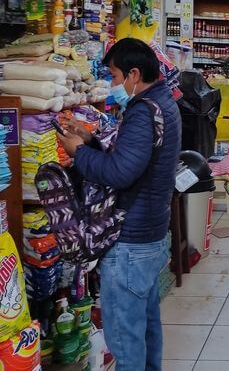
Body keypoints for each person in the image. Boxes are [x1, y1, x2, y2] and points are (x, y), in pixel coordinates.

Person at [56, 38, 181, 370]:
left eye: (113, 76)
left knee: (125, 341)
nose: (111, 84)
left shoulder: (144, 111)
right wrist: (91, 139)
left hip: (131, 241)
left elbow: (121, 172)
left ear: (134, 74)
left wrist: (78, 153)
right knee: (146, 329)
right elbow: (137, 157)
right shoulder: (163, 102)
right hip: (150, 233)